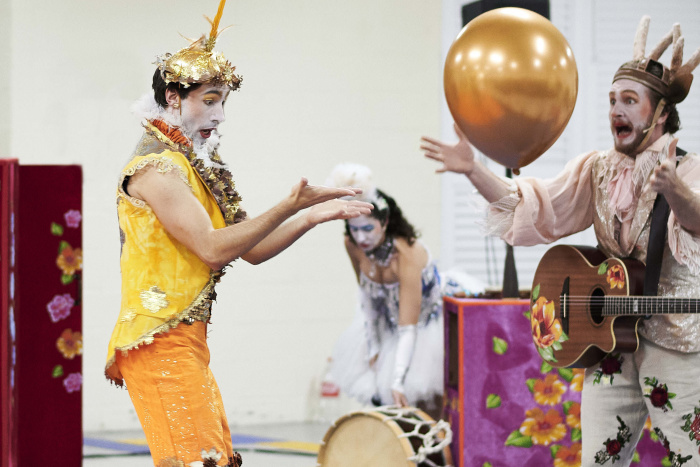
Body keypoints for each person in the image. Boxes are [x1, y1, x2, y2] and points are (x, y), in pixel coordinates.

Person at [422, 16, 700, 466]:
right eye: (612, 100)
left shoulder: (687, 170)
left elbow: (697, 222)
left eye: (630, 100)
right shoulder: (597, 169)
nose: (616, 110)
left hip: (674, 342)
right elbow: (531, 205)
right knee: (597, 461)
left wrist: (675, 189)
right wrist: (473, 170)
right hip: (611, 343)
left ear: (662, 113)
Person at [103, 2, 372, 466]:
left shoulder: (190, 164)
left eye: (223, 101)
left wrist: (308, 215)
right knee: (202, 462)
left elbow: (251, 250)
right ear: (173, 97)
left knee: (217, 459)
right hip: (159, 340)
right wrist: (288, 204)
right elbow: (211, 250)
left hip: (184, 340)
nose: (220, 115)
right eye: (209, 100)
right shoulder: (157, 168)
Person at [326, 163, 444, 417]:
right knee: (378, 389)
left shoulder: (407, 255)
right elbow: (368, 302)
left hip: (424, 323)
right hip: (386, 318)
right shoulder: (352, 245)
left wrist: (397, 380)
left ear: (385, 222)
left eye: (368, 228)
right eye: (354, 229)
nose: (361, 238)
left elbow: (408, 327)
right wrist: (374, 350)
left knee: (416, 396)